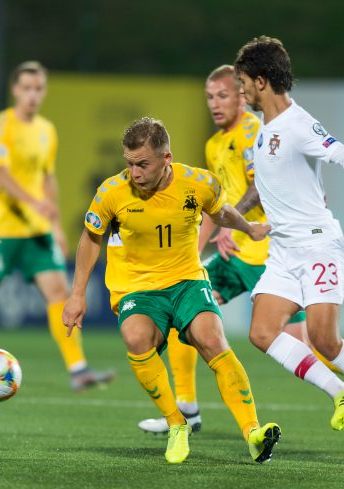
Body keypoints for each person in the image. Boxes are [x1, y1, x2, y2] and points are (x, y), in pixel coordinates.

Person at [63, 116, 281, 464]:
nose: (134, 173)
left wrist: (249, 228)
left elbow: (221, 212)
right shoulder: (112, 192)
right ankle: (177, 423)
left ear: (166, 158)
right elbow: (91, 238)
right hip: (138, 287)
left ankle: (253, 432)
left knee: (213, 340)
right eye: (129, 164)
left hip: (187, 280)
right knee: (136, 338)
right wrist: (76, 295)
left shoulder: (198, 184)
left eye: (143, 164)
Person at [137, 65, 341, 435]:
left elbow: (259, 185)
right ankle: (187, 407)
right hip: (237, 254)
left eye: (225, 94)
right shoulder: (215, 143)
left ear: (243, 95)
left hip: (267, 252)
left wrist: (241, 223)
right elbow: (215, 203)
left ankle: (337, 391)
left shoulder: (255, 132)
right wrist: (196, 254)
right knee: (185, 308)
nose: (215, 104)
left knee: (316, 342)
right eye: (210, 97)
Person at [0, 61, 115, 391]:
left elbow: (48, 178)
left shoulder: (46, 130)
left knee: (58, 292)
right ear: (15, 90)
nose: (32, 95)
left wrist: (53, 223)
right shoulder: (0, 127)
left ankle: (78, 369)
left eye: (38, 88)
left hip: (37, 231)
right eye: (26, 88)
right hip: (1, 229)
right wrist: (33, 202)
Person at [234, 36, 344, 431]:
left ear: (261, 81)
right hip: (283, 250)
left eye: (243, 81)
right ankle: (339, 393)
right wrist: (244, 221)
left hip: (316, 246)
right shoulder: (264, 130)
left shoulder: (297, 124)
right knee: (262, 332)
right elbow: (271, 187)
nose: (240, 90)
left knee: (326, 342)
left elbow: (336, 151)